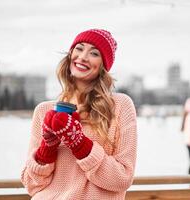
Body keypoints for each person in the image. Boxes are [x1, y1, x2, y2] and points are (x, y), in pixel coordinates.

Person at [21, 29, 137, 199]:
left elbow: (122, 179)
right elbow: (31, 184)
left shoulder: (120, 106)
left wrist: (79, 143)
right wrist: (48, 147)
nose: (83, 57)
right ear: (70, 55)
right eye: (79, 48)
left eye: (94, 53)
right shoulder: (44, 111)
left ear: (103, 65)